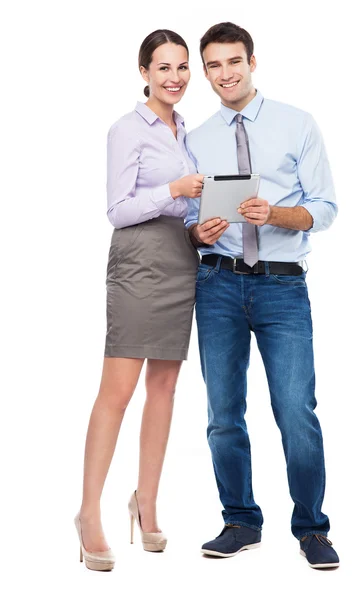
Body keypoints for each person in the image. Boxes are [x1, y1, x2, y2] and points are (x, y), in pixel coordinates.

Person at [185, 22, 340, 569]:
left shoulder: (296, 124)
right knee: (223, 413)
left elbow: (323, 208)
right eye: (213, 65)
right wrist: (196, 232)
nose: (225, 74)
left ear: (253, 61)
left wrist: (275, 214)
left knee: (296, 410)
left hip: (282, 286)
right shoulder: (195, 137)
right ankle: (240, 520)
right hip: (218, 284)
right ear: (205, 72)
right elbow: (187, 216)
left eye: (234, 61)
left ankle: (311, 528)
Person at [74, 29, 204, 571]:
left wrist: (203, 224)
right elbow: (117, 209)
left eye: (181, 68)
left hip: (181, 260)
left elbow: (188, 210)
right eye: (163, 68)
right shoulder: (127, 129)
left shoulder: (186, 132)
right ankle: (88, 514)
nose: (174, 77)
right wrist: (174, 192)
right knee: (118, 390)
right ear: (144, 72)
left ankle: (146, 503)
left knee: (166, 387)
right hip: (137, 259)